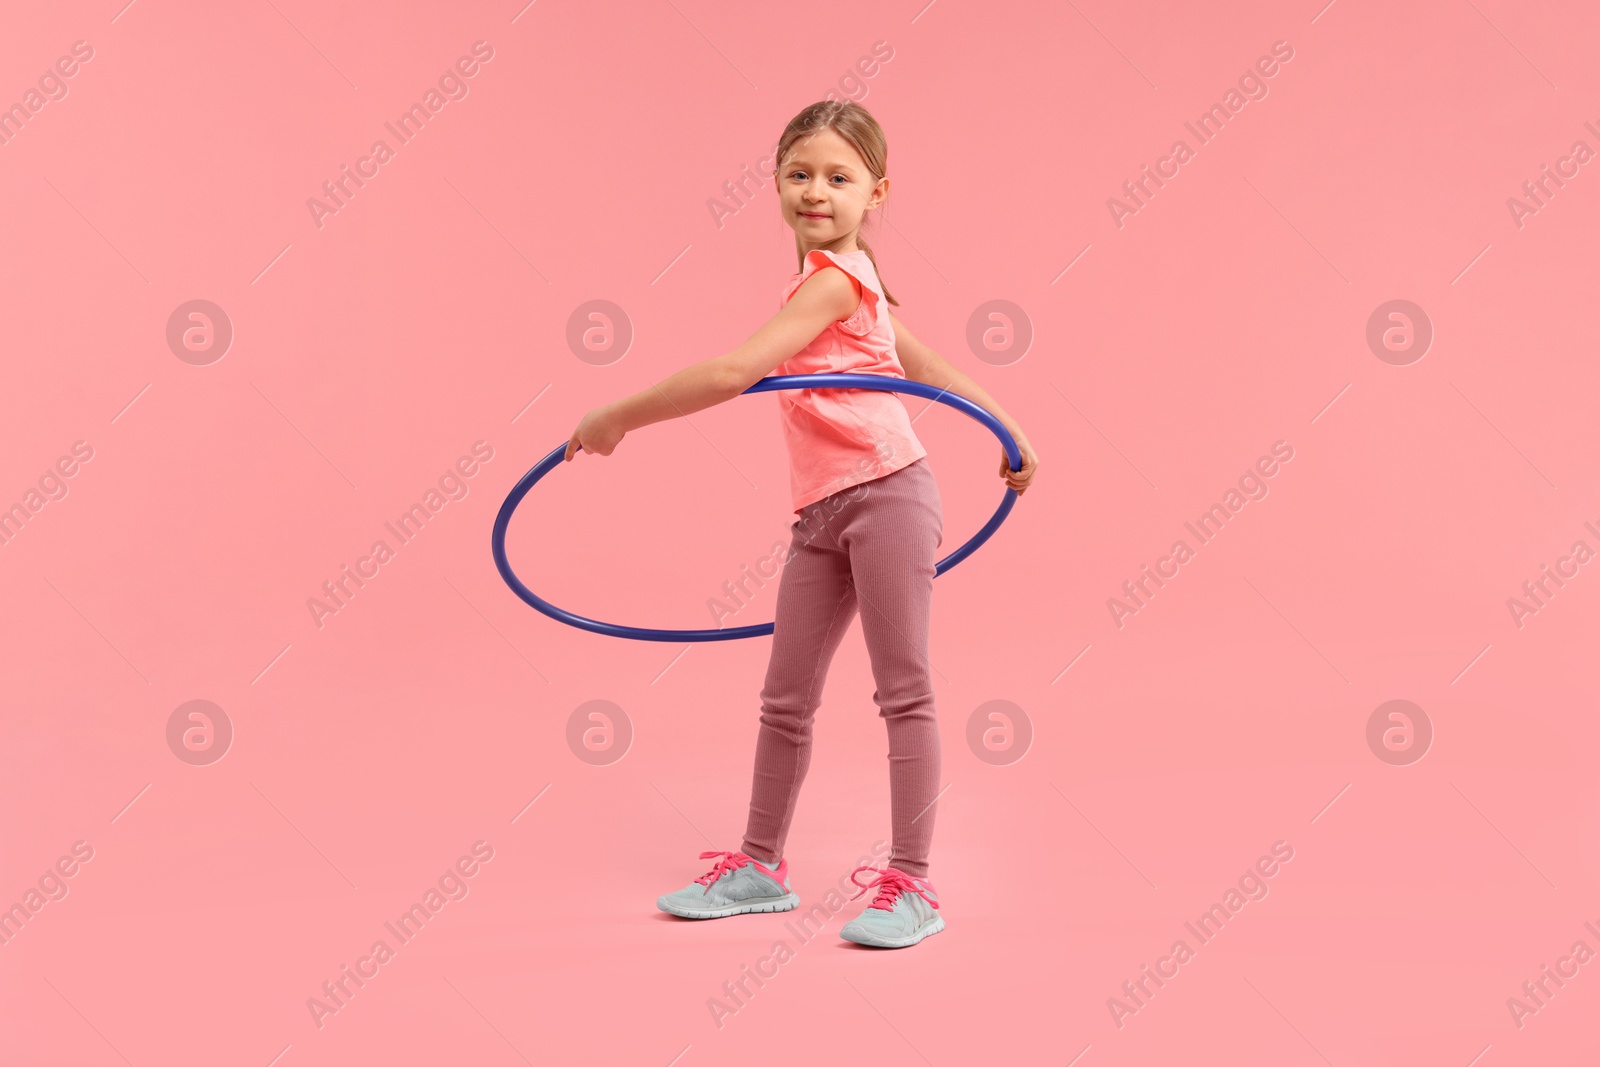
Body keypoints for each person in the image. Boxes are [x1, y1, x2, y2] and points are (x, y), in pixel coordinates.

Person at [564, 100, 1039, 948]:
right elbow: (926, 365)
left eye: (839, 176)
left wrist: (619, 416)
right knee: (785, 698)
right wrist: (1008, 424)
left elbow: (736, 370)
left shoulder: (836, 280)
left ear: (876, 192)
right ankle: (759, 868)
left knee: (904, 692)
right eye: (799, 173)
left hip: (890, 494)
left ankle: (914, 885)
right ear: (777, 185)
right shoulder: (844, 284)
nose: (816, 189)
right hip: (821, 512)